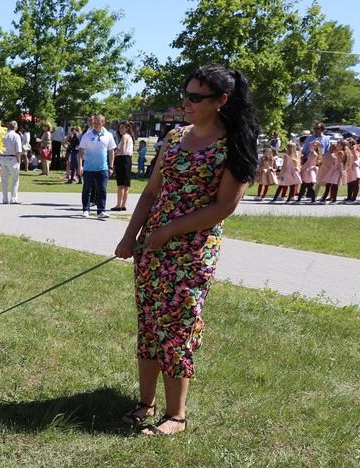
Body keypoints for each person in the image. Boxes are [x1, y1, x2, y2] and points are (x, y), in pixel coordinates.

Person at [115, 64, 259, 436]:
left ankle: (175, 415)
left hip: (191, 254)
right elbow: (150, 193)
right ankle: (145, 403)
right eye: (186, 94)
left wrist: (172, 229)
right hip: (153, 247)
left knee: (176, 327)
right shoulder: (175, 137)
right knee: (148, 324)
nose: (186, 103)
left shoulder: (234, 146)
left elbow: (224, 206)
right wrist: (131, 237)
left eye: (196, 97)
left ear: (221, 101)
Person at [78, 114, 116, 219]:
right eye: (94, 122)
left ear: (103, 123)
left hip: (103, 168)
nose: (95, 124)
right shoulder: (87, 135)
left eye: (98, 123)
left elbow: (111, 151)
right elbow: (81, 150)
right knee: (87, 189)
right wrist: (80, 165)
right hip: (88, 168)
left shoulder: (108, 135)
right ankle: (86, 210)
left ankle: (101, 211)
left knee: (102, 190)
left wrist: (111, 167)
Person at [0, 121, 24, 204]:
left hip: (3, 158)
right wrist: (18, 160)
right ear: (15, 127)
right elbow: (19, 150)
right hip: (12, 158)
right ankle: (13, 199)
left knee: (4, 180)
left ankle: (5, 199)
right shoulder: (16, 136)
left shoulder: (3, 135)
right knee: (15, 180)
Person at [111, 120, 134, 211]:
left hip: (122, 159)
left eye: (122, 127)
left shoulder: (124, 137)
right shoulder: (129, 137)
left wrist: (116, 152)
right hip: (128, 160)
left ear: (127, 128)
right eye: (120, 127)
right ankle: (123, 205)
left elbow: (123, 150)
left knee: (120, 185)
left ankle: (118, 205)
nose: (120, 129)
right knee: (126, 184)